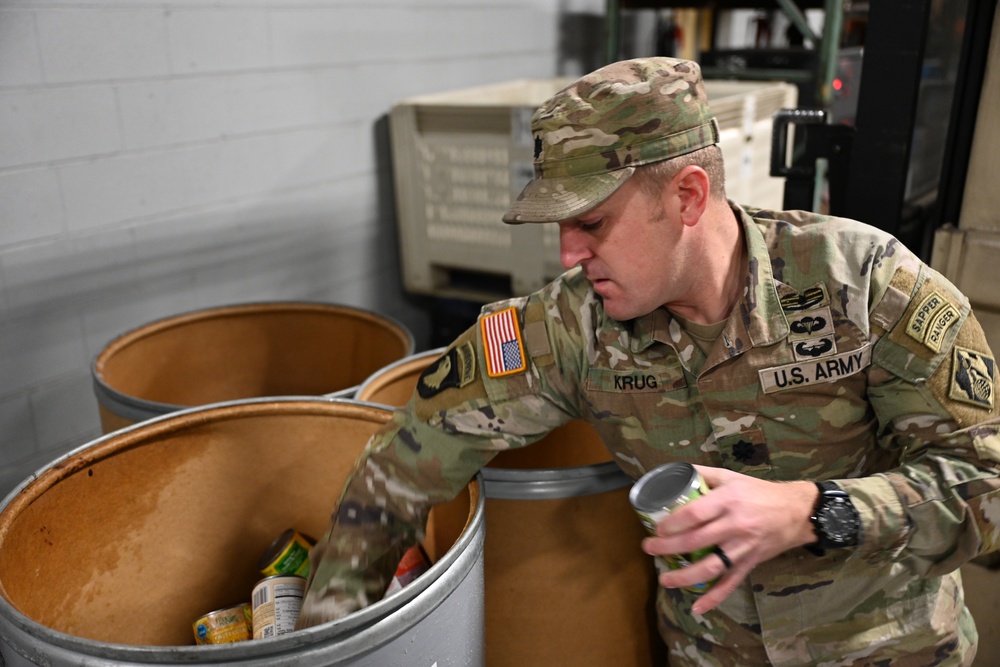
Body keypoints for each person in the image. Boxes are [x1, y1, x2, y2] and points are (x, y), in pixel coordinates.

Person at [297, 57, 1000, 665]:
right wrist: (324, 641)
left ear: (688, 195)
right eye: (560, 226)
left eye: (591, 222)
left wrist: (815, 511)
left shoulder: (868, 287)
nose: (568, 254)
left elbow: (988, 487)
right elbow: (400, 466)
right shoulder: (570, 325)